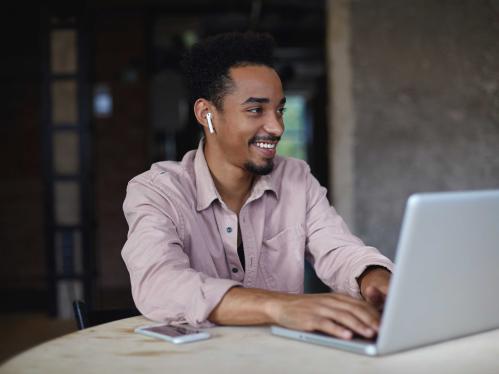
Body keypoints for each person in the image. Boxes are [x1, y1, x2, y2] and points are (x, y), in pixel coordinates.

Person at [122, 31, 393, 340]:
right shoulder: (157, 191)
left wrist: (375, 277)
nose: (276, 127)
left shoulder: (296, 178)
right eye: (255, 110)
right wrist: (278, 307)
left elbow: (339, 249)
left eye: (280, 109)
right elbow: (159, 283)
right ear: (206, 114)